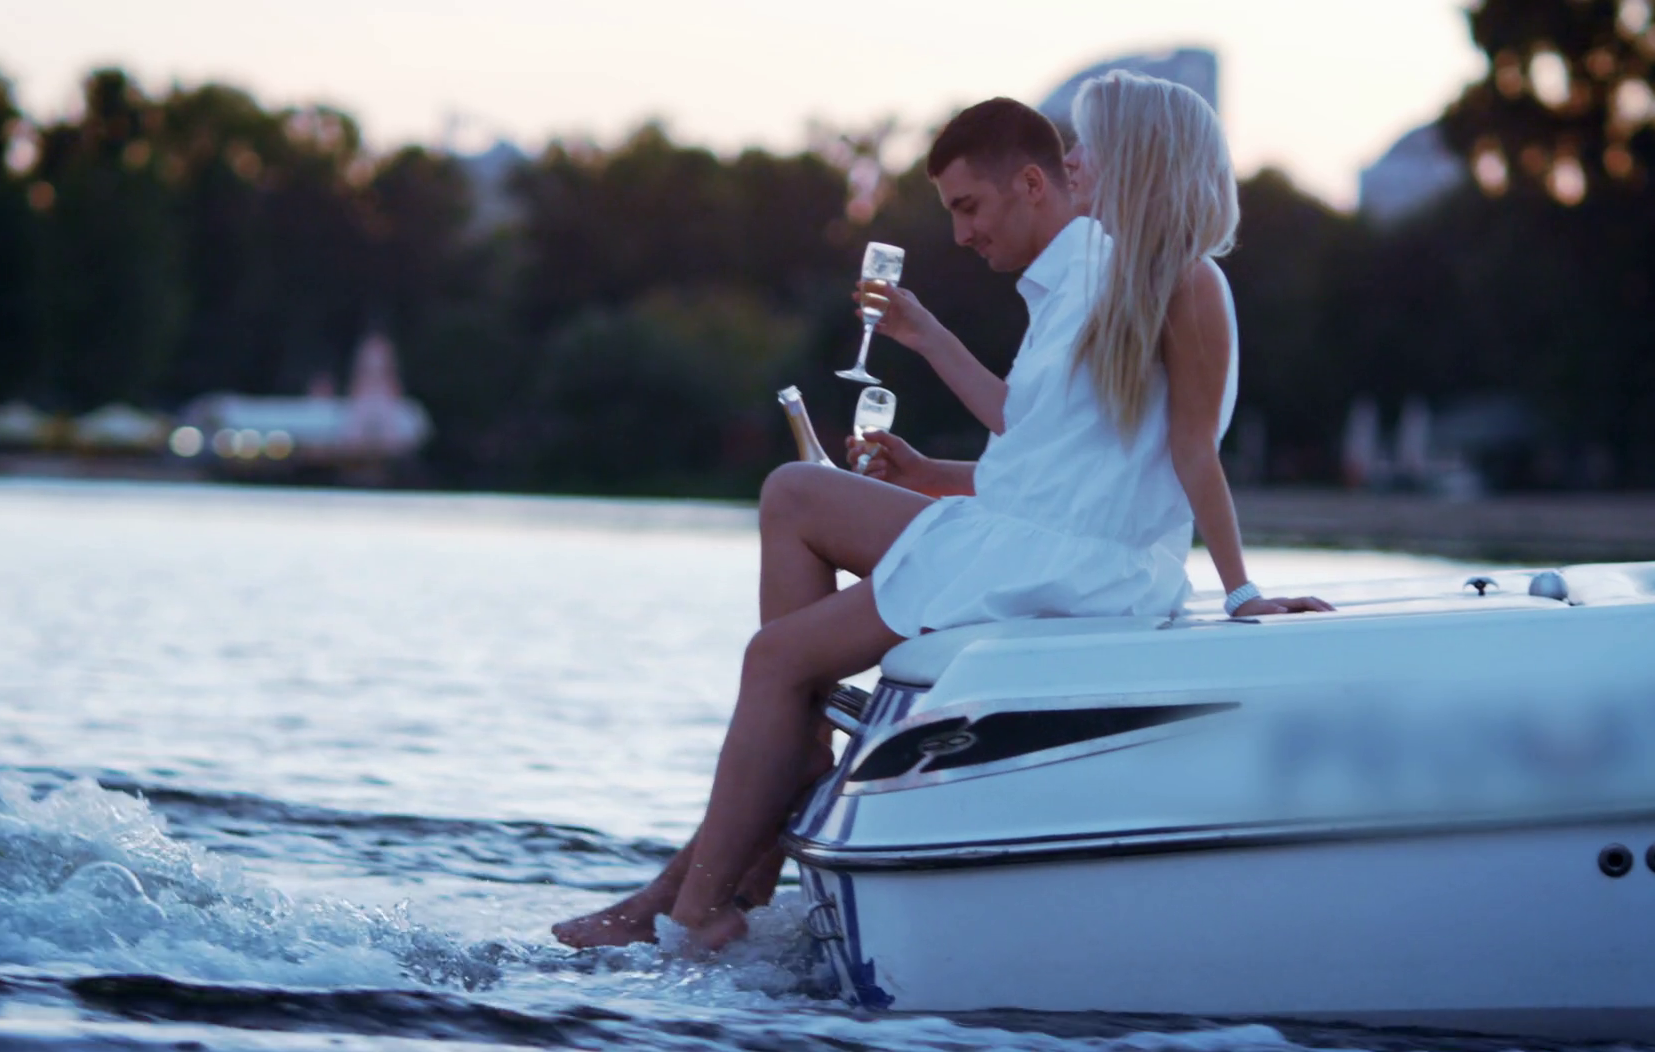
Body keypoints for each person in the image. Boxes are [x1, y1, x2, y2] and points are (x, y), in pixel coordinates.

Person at [553, 79, 1329, 953]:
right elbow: (1048, 456)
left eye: (1085, 147)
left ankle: (693, 908)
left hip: (1072, 566)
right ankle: (777, 775)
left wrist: (1242, 593)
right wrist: (931, 467)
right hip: (1033, 539)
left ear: (1141, 158)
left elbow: (1190, 456)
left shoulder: (1187, 285)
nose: (1070, 160)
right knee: (794, 494)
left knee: (775, 656)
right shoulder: (1107, 280)